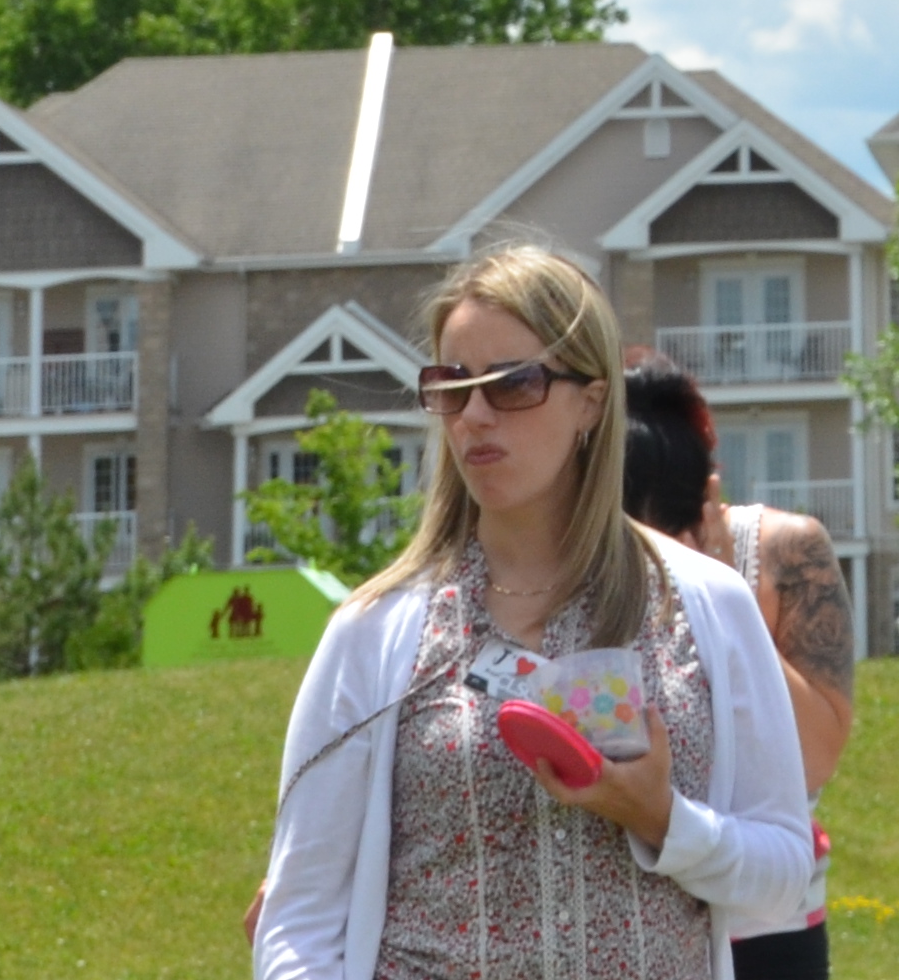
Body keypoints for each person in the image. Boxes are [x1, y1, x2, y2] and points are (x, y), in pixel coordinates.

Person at [257, 243, 818, 980]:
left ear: (592, 400)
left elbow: (783, 878)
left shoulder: (704, 604)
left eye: (513, 384)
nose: (475, 415)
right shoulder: (376, 631)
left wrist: (662, 819)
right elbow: (297, 923)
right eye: (453, 387)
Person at [625, 353, 860, 976]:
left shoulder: (784, 551)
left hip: (769, 921)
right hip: (637, 917)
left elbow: (817, 756)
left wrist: (725, 597)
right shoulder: (579, 566)